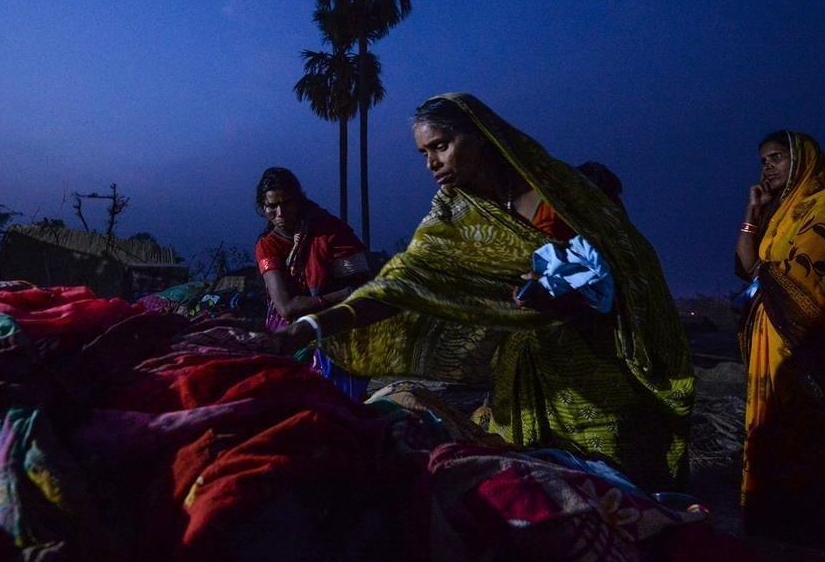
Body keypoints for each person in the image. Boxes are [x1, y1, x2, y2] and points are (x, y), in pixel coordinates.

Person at [279, 93, 693, 490]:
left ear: (479, 135)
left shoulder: (560, 190)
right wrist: (312, 326)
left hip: (601, 356)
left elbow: (623, 258)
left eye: (440, 146)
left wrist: (563, 289)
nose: (431, 163)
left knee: (617, 483)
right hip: (527, 369)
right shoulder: (450, 213)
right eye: (424, 153)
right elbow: (401, 283)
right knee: (541, 482)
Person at [734, 130, 825, 548]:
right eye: (762, 161)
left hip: (809, 346)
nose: (766, 167)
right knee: (773, 430)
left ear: (801, 161)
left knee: (810, 434)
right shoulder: (778, 217)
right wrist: (753, 213)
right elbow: (751, 267)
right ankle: (775, 528)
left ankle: (820, 537)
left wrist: (766, 277)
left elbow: (805, 278)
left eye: (775, 158)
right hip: (771, 342)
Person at [255, 167, 371, 398]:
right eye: (271, 207)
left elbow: (362, 282)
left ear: (299, 201)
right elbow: (286, 308)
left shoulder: (329, 231)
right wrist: (340, 295)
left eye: (286, 203)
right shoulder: (268, 246)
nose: (280, 213)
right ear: (263, 207)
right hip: (293, 326)